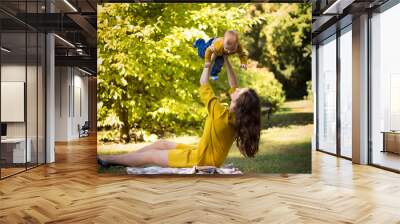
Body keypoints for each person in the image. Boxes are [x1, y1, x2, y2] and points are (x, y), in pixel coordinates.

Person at [98, 55, 260, 168]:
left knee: (151, 155)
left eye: (239, 92)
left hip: (201, 161)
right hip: (204, 155)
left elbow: (203, 82)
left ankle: (111, 159)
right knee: (161, 144)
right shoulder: (235, 117)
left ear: (238, 103)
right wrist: (226, 60)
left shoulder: (220, 113)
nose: (236, 89)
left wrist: (207, 61)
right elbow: (234, 84)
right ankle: (126, 159)